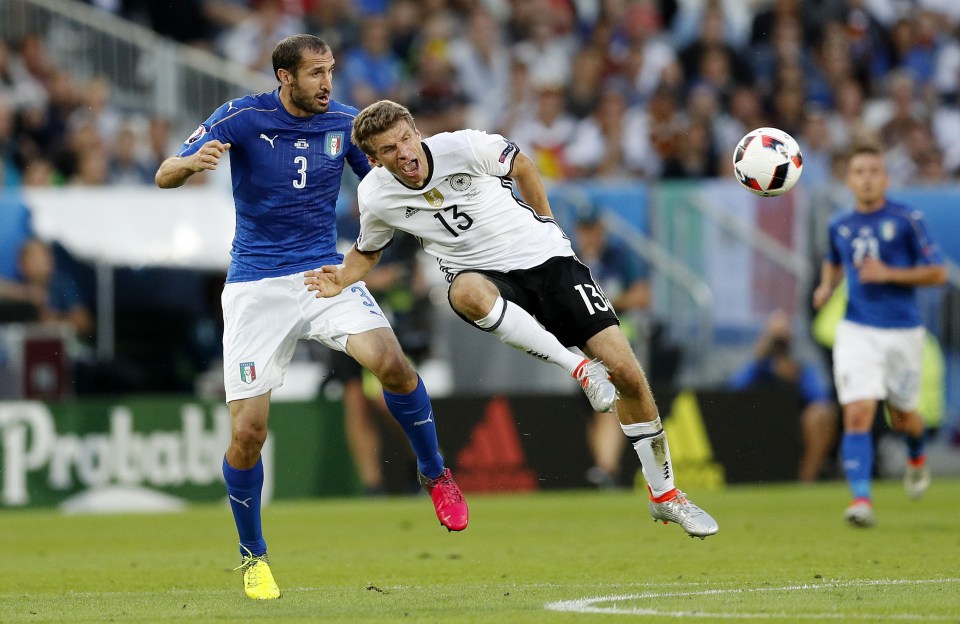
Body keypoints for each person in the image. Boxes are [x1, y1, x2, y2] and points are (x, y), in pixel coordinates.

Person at [305, 99, 719, 539]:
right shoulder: (376, 195)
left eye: (406, 138)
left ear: (416, 131)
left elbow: (521, 164)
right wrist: (342, 278)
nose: (403, 152)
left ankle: (666, 497)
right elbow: (369, 249)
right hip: (483, 275)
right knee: (463, 292)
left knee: (629, 376)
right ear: (373, 160)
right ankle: (576, 367)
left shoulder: (463, 146)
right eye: (388, 149)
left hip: (547, 261)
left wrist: (548, 223)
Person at [154, 35, 468, 601]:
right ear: (284, 77)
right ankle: (253, 557)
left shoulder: (346, 125)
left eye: (331, 71)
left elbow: (386, 184)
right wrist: (189, 164)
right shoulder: (242, 116)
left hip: (324, 273)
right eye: (316, 73)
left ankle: (436, 473)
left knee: (392, 364)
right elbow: (163, 174)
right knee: (248, 433)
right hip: (255, 287)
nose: (328, 82)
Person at [812, 144, 946, 528]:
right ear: (849, 180)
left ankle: (917, 456)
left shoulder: (907, 220)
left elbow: (937, 273)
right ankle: (861, 500)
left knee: (904, 416)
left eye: (874, 171)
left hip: (903, 332)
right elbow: (834, 260)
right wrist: (826, 287)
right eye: (859, 171)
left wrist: (890, 274)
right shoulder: (839, 223)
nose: (867, 177)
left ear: (885, 179)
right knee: (857, 413)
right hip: (857, 330)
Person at [569, 196, 653, 489]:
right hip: (581, 347)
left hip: (619, 339)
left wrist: (602, 304)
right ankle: (608, 473)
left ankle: (604, 467)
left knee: (611, 401)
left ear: (602, 228)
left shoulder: (620, 256)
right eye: (583, 228)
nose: (588, 234)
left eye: (592, 228)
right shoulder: (571, 259)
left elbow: (642, 296)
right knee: (592, 409)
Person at [729, 309, 838, 483]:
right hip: (759, 427)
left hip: (794, 426)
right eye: (775, 339)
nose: (779, 344)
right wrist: (762, 361)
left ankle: (806, 479)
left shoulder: (801, 369)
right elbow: (732, 391)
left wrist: (796, 377)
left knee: (821, 415)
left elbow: (821, 397)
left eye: (783, 338)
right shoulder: (758, 368)